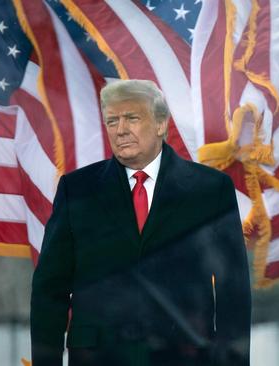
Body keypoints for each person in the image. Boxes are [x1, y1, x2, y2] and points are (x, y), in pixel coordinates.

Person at [30, 79, 251, 366]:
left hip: (184, 356)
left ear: (161, 124)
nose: (120, 129)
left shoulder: (210, 190)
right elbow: (50, 288)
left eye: (132, 118)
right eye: (112, 120)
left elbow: (232, 290)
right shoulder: (77, 189)